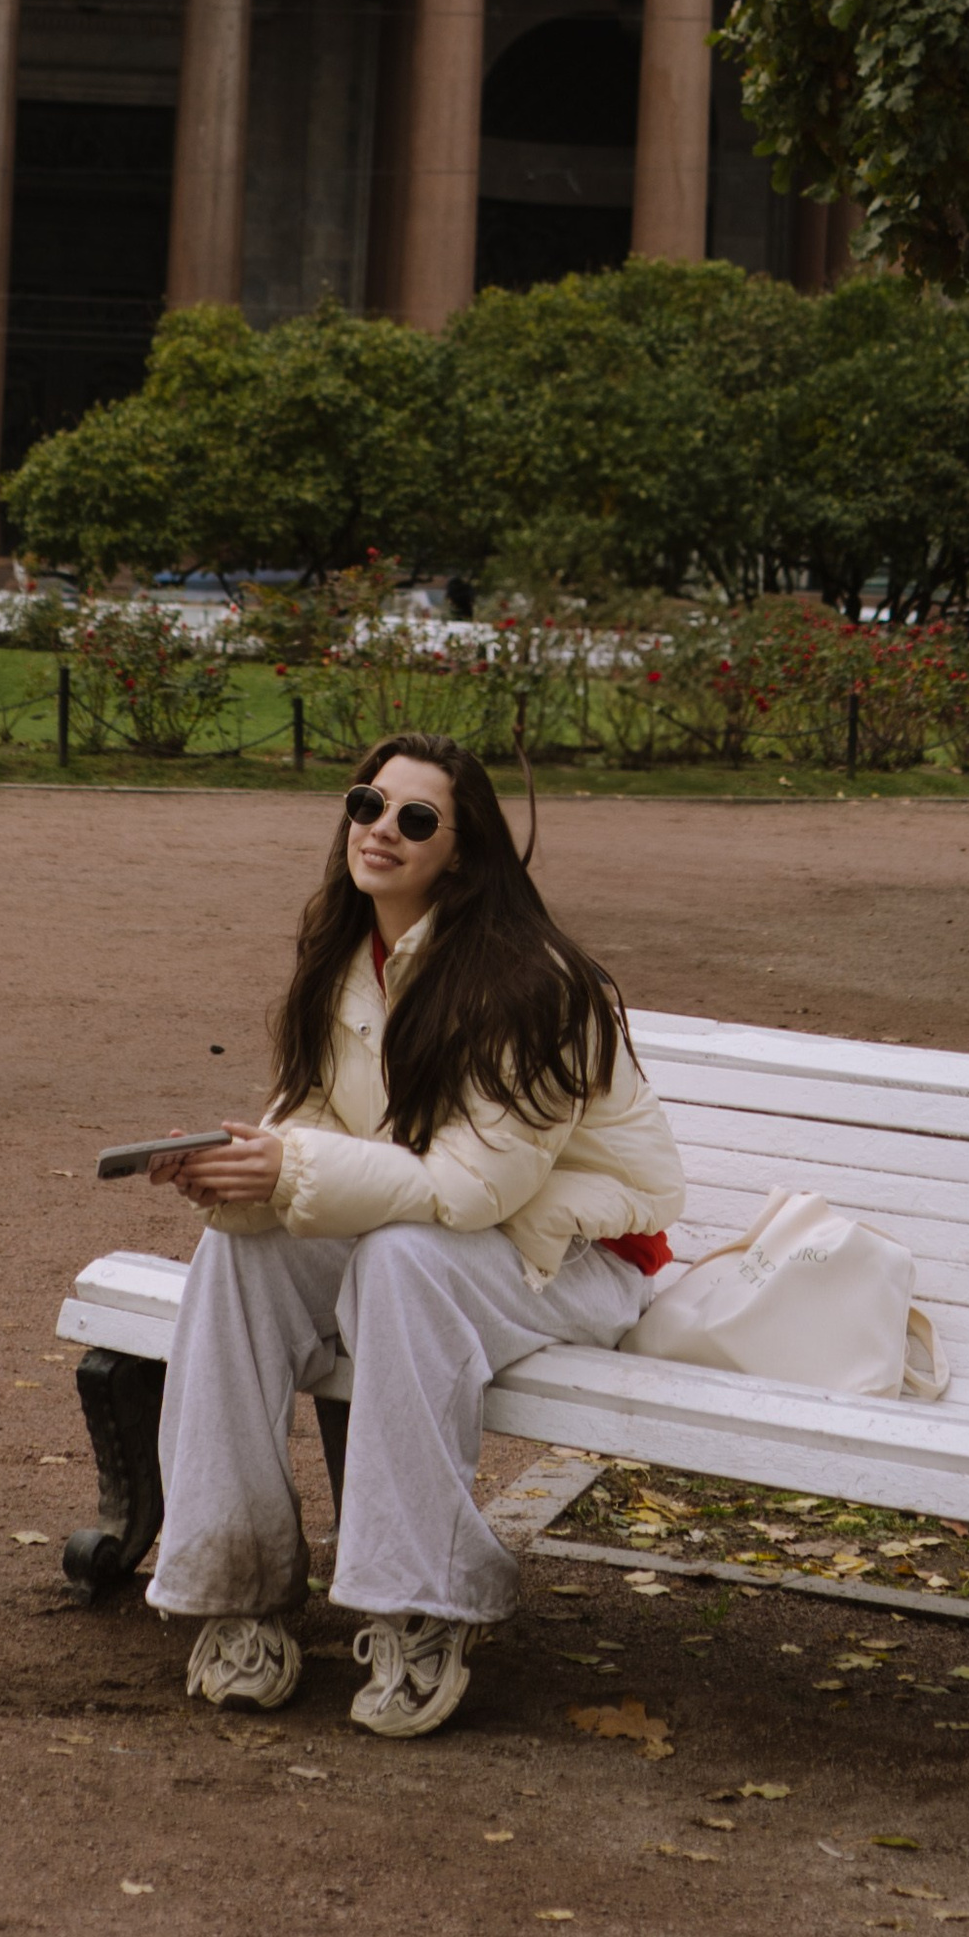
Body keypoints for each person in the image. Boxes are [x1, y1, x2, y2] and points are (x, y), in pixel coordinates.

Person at [146, 735, 683, 1738]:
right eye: (366, 805)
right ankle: (240, 1589)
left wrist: (291, 1169)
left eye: (415, 819)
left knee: (401, 1261)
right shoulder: (342, 953)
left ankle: (422, 1606)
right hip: (435, 1239)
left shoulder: (537, 985)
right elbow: (310, 1125)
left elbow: (474, 1189)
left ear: (463, 852)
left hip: (570, 1258)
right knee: (240, 1249)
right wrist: (242, 1179)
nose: (380, 830)